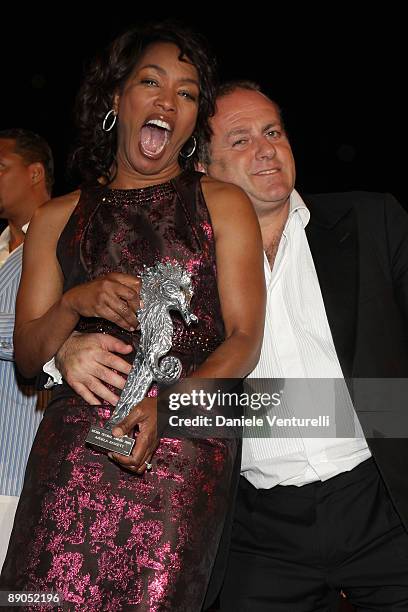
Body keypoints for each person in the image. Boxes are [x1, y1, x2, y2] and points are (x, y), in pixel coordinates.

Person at [56, 80, 408, 611]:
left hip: (384, 498)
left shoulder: (371, 220)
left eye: (273, 131)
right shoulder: (181, 267)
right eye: (240, 139)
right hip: (254, 529)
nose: (266, 148)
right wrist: (63, 351)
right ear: (202, 168)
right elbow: (109, 331)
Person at [0, 28, 265, 611]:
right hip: (71, 458)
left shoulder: (222, 204)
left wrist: (170, 404)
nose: (168, 101)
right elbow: (26, 355)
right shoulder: (56, 216)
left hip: (180, 455)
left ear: (196, 120)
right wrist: (75, 304)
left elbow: (245, 339)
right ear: (115, 98)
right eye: (151, 81)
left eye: (189, 93)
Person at [0, 128, 53, 570]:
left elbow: (48, 333)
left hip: (17, 468)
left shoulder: (63, 242)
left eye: (0, 169)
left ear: (35, 173)